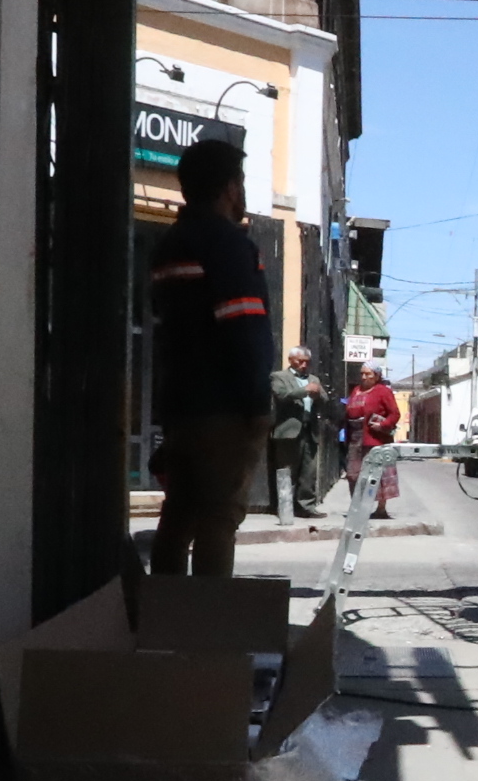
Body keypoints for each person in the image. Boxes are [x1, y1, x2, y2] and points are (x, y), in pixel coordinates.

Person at [145, 138, 275, 578]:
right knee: (219, 517)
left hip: (180, 406)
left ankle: (160, 619)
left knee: (179, 513)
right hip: (224, 408)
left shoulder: (170, 243)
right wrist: (257, 403)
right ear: (229, 188)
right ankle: (207, 628)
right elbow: (243, 329)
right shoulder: (229, 245)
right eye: (240, 182)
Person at [272, 346, 338, 518]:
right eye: (300, 361)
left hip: (310, 430)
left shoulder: (313, 379)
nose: (303, 365)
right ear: (291, 360)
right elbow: (281, 395)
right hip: (289, 431)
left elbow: (324, 400)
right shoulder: (279, 377)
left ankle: (306, 506)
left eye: (306, 362)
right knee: (287, 470)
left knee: (309, 471)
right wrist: (305, 391)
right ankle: (284, 508)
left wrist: (318, 395)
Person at [344, 363, 406, 518]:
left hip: (375, 438)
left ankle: (381, 509)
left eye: (368, 374)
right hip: (355, 438)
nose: (364, 377)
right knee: (353, 473)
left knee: (378, 474)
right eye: (362, 374)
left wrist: (382, 425)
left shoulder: (383, 392)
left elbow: (394, 414)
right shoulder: (356, 390)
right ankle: (357, 507)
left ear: (377, 376)